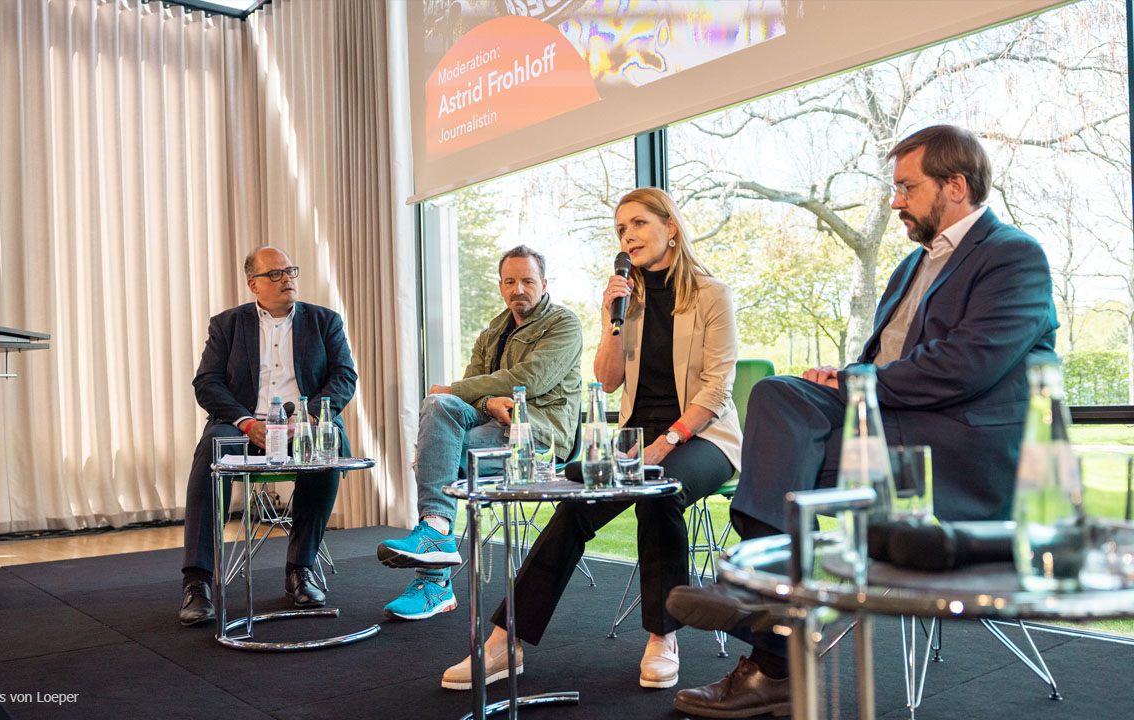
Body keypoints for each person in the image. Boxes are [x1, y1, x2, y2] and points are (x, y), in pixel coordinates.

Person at [670, 125, 1058, 718]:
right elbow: (887, 363)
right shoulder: (910, 267)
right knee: (778, 394)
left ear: (955, 186)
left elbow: (964, 367)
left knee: (797, 471)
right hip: (885, 421)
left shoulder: (1013, 254)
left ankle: (763, 620)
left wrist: (857, 382)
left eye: (907, 186)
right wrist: (848, 374)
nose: (894, 200)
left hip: (950, 443)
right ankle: (762, 609)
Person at [441, 188, 743, 691]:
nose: (628, 236)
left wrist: (664, 443)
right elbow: (606, 381)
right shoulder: (628, 299)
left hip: (704, 435)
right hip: (634, 437)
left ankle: (662, 637)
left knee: (657, 491)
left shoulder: (712, 294)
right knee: (575, 505)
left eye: (639, 224)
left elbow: (717, 388)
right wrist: (611, 322)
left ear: (671, 227)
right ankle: (503, 642)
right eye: (622, 229)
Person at [376, 245, 583, 621]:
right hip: (492, 430)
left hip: (538, 438)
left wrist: (458, 391)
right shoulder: (493, 331)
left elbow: (528, 381)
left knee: (440, 451)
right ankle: (436, 537)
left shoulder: (563, 324)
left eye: (527, 281)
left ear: (544, 283)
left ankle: (433, 580)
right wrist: (485, 402)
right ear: (501, 285)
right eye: (510, 281)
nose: (518, 288)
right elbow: (473, 391)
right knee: (438, 407)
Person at [178, 246, 357, 626]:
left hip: (305, 423)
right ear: (253, 284)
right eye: (275, 274)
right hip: (246, 424)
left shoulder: (325, 321)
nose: (287, 278)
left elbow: (344, 376)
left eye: (290, 270)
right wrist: (246, 423)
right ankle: (198, 581)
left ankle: (301, 571)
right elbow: (206, 384)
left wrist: (311, 415)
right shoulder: (227, 324)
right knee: (213, 449)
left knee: (323, 450)